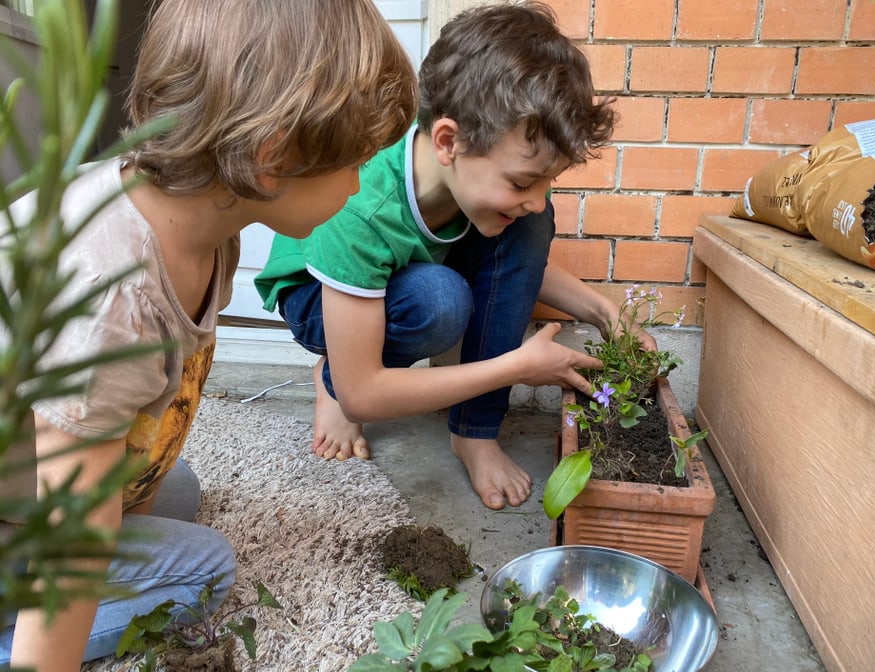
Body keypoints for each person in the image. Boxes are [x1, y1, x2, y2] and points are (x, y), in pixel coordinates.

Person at [0, 0, 416, 672]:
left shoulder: (204, 226)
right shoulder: (114, 299)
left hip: (23, 475)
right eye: (353, 165)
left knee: (180, 490)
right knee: (203, 568)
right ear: (273, 155)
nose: (357, 189)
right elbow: (72, 546)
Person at [255, 1, 657, 511]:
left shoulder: (482, 183)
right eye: (523, 181)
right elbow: (368, 397)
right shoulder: (361, 207)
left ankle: (474, 433)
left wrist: (606, 314)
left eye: (547, 181)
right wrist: (512, 367)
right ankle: (335, 373)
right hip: (317, 297)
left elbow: (520, 268)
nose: (538, 196)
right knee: (438, 302)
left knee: (526, 224)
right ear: (449, 140)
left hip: (400, 277)